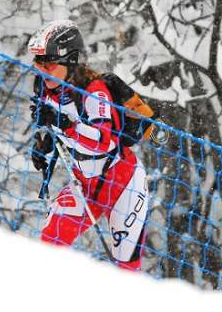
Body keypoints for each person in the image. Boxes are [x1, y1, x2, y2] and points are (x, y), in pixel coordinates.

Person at [27, 19, 148, 271]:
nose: (42, 71)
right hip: (85, 183)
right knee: (50, 241)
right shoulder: (45, 88)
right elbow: (59, 126)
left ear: (70, 61)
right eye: (38, 64)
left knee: (127, 268)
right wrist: (45, 144)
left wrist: (66, 125)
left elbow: (104, 141)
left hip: (122, 183)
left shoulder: (95, 93)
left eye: (49, 64)